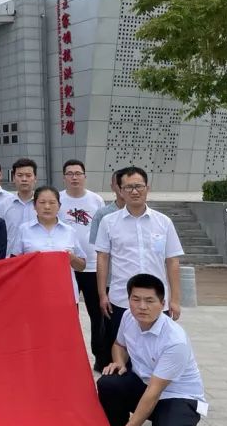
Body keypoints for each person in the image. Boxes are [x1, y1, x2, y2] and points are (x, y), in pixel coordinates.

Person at [95, 273, 205, 426]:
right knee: (109, 382)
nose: (142, 306)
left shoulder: (174, 340)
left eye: (149, 301)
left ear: (162, 304)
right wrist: (119, 362)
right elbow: (119, 345)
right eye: (136, 299)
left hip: (177, 395)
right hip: (144, 384)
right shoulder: (128, 317)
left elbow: (154, 391)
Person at [95, 166, 185, 358]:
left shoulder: (164, 222)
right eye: (128, 187)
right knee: (121, 350)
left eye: (138, 186)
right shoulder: (108, 222)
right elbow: (102, 259)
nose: (134, 191)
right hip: (121, 299)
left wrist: (175, 300)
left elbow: (172, 261)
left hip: (156, 300)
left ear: (147, 188)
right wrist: (102, 294)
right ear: (120, 191)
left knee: (156, 352)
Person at [59, 159, 105, 368]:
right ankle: (70, 358)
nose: (74, 177)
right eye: (70, 174)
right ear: (64, 177)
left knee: (97, 314)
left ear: (85, 176)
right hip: (65, 267)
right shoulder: (58, 199)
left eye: (78, 173)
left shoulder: (96, 200)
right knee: (69, 314)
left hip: (93, 265)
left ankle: (100, 358)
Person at [10, 185, 86, 302]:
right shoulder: (24, 229)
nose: (47, 207)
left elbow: (82, 266)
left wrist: (72, 258)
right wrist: (28, 260)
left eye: (52, 202)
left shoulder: (69, 231)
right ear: (34, 206)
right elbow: (13, 264)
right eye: (42, 202)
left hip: (64, 294)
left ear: (59, 206)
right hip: (33, 293)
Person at [90, 168, 127, 371]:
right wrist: (102, 289)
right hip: (112, 281)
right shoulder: (104, 215)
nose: (126, 189)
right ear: (114, 186)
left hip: (135, 284)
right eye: (121, 185)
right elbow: (100, 253)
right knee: (109, 326)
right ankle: (105, 362)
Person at [2, 158, 38, 245]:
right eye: (20, 175)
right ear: (14, 178)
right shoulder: (4, 204)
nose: (24, 179)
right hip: (11, 253)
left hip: (37, 253)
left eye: (28, 175)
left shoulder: (43, 204)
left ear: (35, 178)